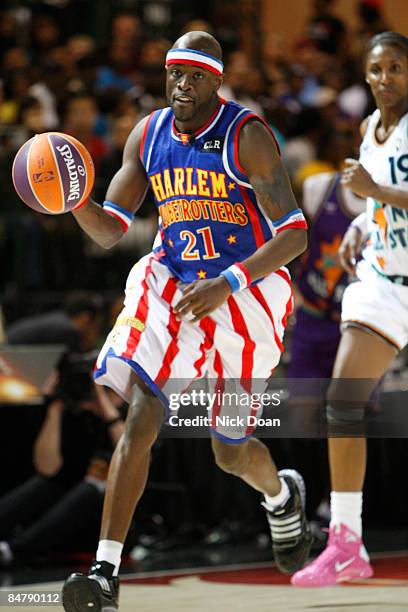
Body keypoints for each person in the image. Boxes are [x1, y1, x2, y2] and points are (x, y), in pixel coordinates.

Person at [62, 31, 311, 612]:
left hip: (245, 291)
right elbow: (110, 231)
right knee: (143, 411)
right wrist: (73, 200)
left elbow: (294, 235)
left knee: (229, 450)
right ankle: (104, 573)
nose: (182, 83)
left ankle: (280, 495)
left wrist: (226, 284)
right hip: (176, 283)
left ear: (216, 82)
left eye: (195, 75)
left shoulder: (246, 136)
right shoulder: (147, 135)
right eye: (175, 72)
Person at [292, 31, 408, 587]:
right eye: (377, 69)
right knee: (342, 401)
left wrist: (374, 196)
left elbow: (381, 189)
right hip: (386, 281)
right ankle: (347, 541)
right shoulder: (370, 130)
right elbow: (379, 201)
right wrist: (362, 225)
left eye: (396, 68)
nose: (385, 78)